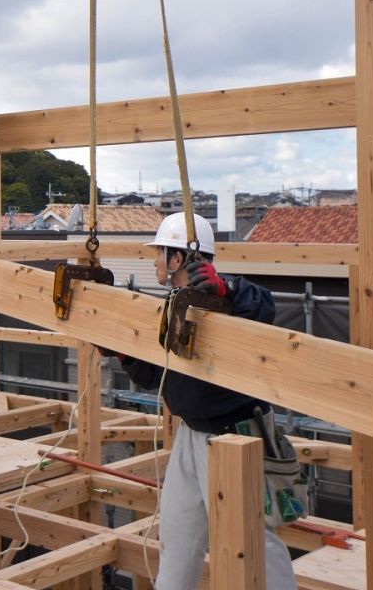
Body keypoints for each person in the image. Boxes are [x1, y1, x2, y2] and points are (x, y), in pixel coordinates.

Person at [118, 212, 298, 589]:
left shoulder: (230, 302)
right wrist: (122, 352)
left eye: (159, 254)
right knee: (178, 535)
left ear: (177, 259)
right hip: (190, 436)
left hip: (238, 438)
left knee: (254, 542)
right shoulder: (173, 306)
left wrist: (227, 289)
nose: (153, 262)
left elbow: (263, 307)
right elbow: (155, 375)